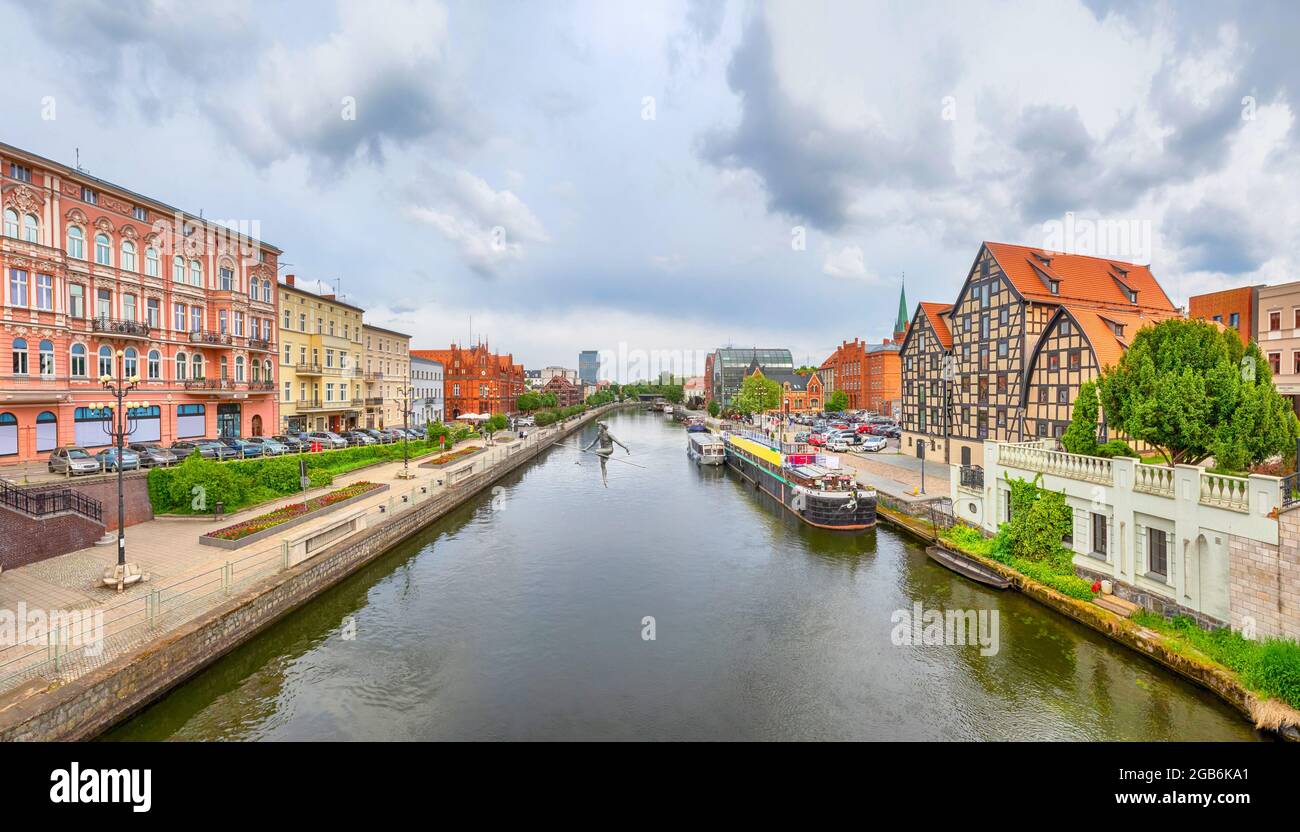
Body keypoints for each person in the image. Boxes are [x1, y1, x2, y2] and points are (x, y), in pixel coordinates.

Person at [583, 421, 629, 488]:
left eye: (599, 426)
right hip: (602, 451)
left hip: (609, 450)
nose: (598, 427)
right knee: (602, 466)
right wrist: (586, 448)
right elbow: (593, 442)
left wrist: (626, 448)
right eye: (598, 426)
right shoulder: (599, 434)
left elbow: (617, 442)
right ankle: (604, 480)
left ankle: (606, 456)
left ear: (603, 427)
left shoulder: (609, 434)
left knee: (596, 451)